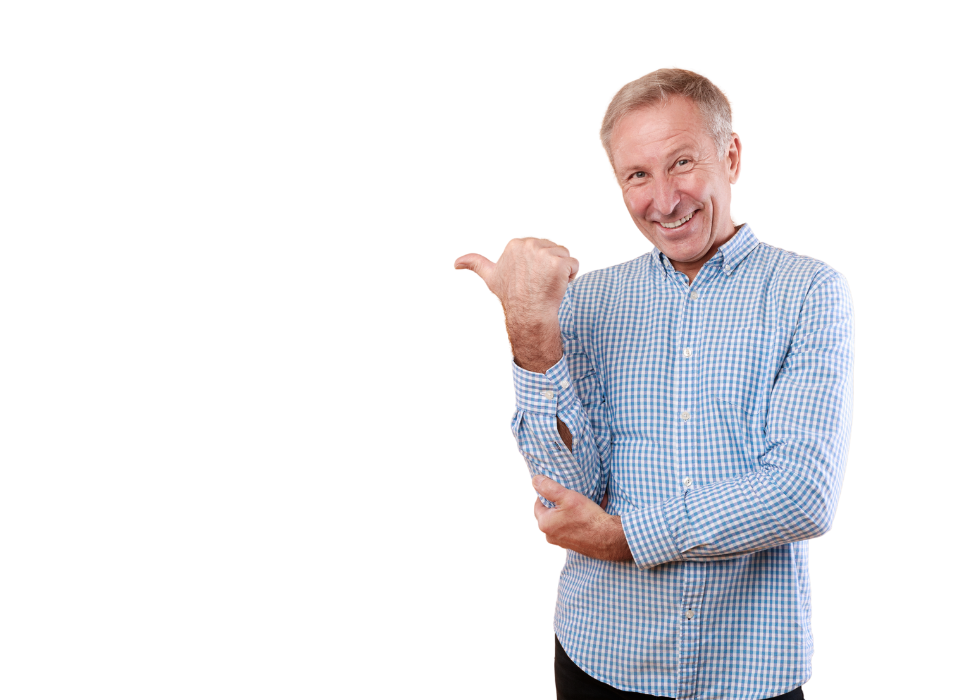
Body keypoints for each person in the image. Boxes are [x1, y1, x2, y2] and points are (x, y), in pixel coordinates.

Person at [452, 66, 853, 700]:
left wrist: (626, 538)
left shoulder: (808, 292)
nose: (664, 201)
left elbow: (802, 493)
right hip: (600, 660)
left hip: (750, 674)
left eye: (682, 163)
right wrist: (530, 332)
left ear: (732, 158)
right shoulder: (589, 301)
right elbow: (571, 487)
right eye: (637, 175)